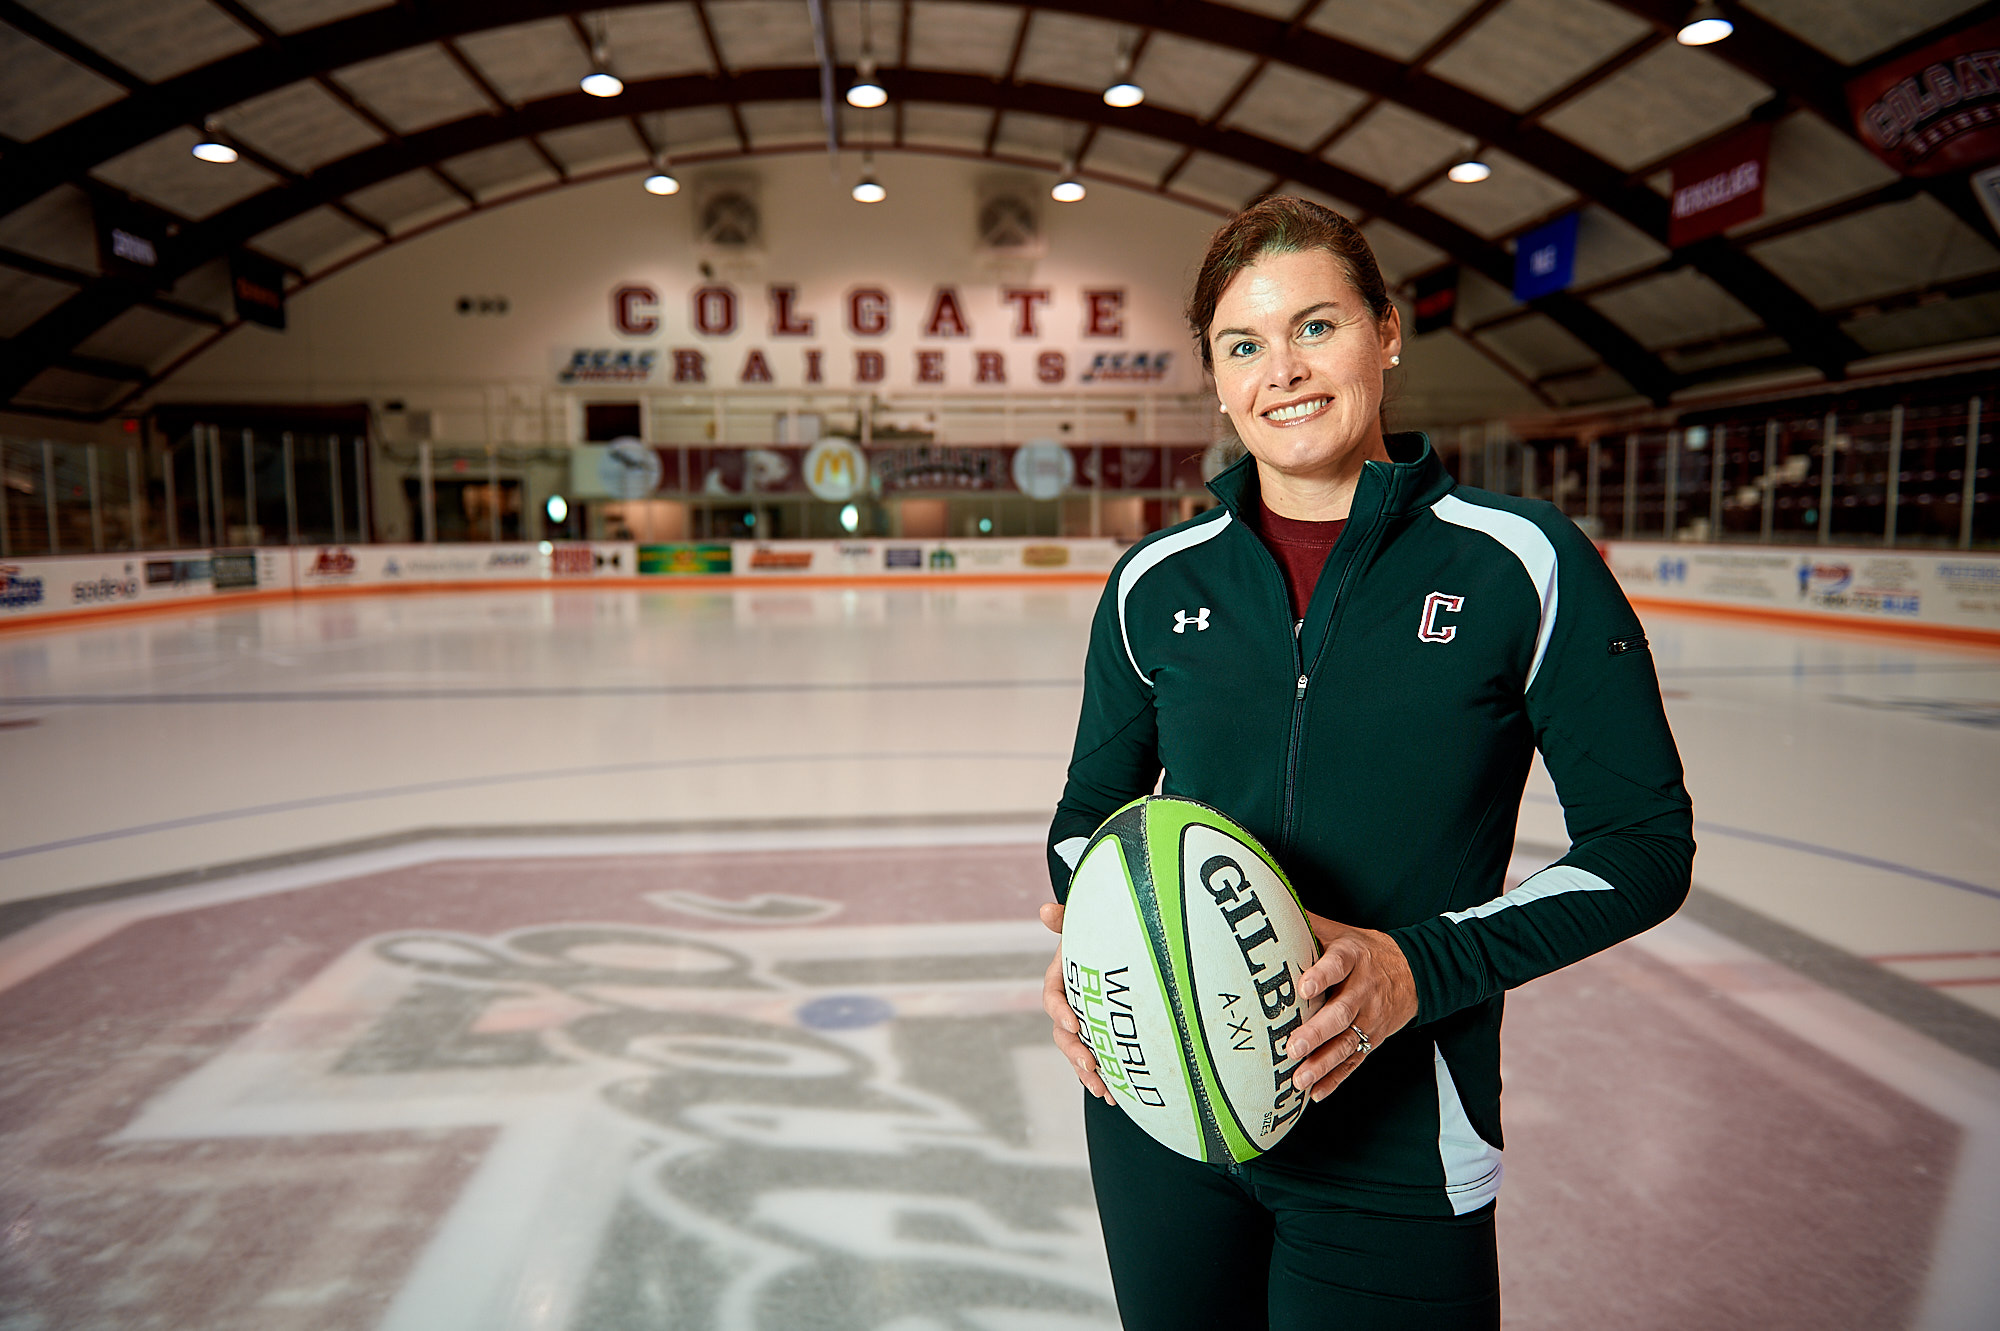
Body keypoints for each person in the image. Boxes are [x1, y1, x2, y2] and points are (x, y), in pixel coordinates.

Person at [1037, 196, 1694, 1329]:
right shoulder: (1156, 580)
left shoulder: (1519, 562)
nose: (1280, 371)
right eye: (1242, 345)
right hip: (1163, 1112)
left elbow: (1642, 845)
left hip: (1396, 1133)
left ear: (1384, 332)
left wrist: (1415, 968)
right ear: (1213, 373)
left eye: (1316, 327)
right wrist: (1097, 938)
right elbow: (1085, 816)